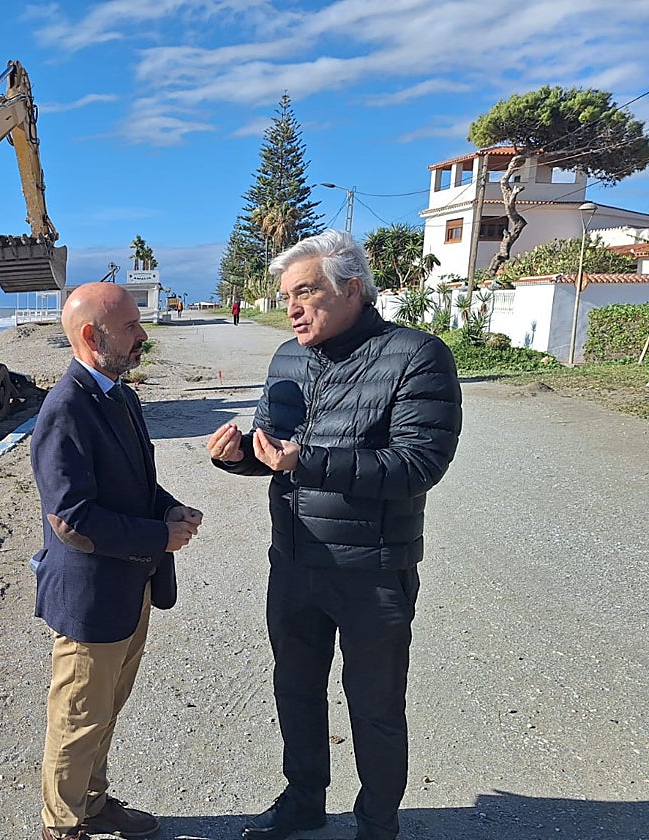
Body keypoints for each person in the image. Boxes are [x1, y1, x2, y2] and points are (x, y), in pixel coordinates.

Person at [205, 230, 462, 840]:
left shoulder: (418, 355)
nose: (292, 307)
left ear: (352, 288)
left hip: (373, 570)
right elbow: (276, 448)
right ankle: (303, 801)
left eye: (306, 292)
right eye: (285, 295)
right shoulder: (287, 358)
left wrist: (308, 461)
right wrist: (239, 455)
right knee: (295, 690)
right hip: (294, 561)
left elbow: (418, 466)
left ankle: (377, 822)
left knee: (374, 707)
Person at [31, 281, 204, 840]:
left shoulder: (120, 395)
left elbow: (133, 484)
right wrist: (157, 536)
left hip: (131, 588)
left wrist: (169, 510)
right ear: (90, 336)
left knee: (103, 711)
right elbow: (72, 519)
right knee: (78, 719)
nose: (143, 335)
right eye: (130, 326)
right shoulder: (65, 409)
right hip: (92, 598)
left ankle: (92, 802)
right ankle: (62, 827)